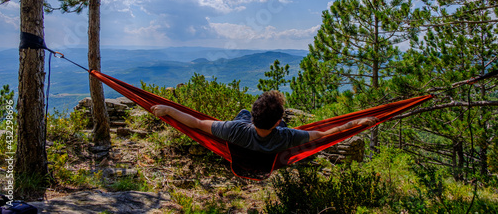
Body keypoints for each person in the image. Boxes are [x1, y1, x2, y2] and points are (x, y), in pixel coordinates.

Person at [150, 90, 378, 154]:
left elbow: (197, 124)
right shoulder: (287, 136)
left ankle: (244, 112)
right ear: (279, 121)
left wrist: (169, 109)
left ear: (254, 115)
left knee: (239, 112)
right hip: (267, 147)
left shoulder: (235, 129)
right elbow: (324, 134)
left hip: (241, 144)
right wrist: (356, 123)